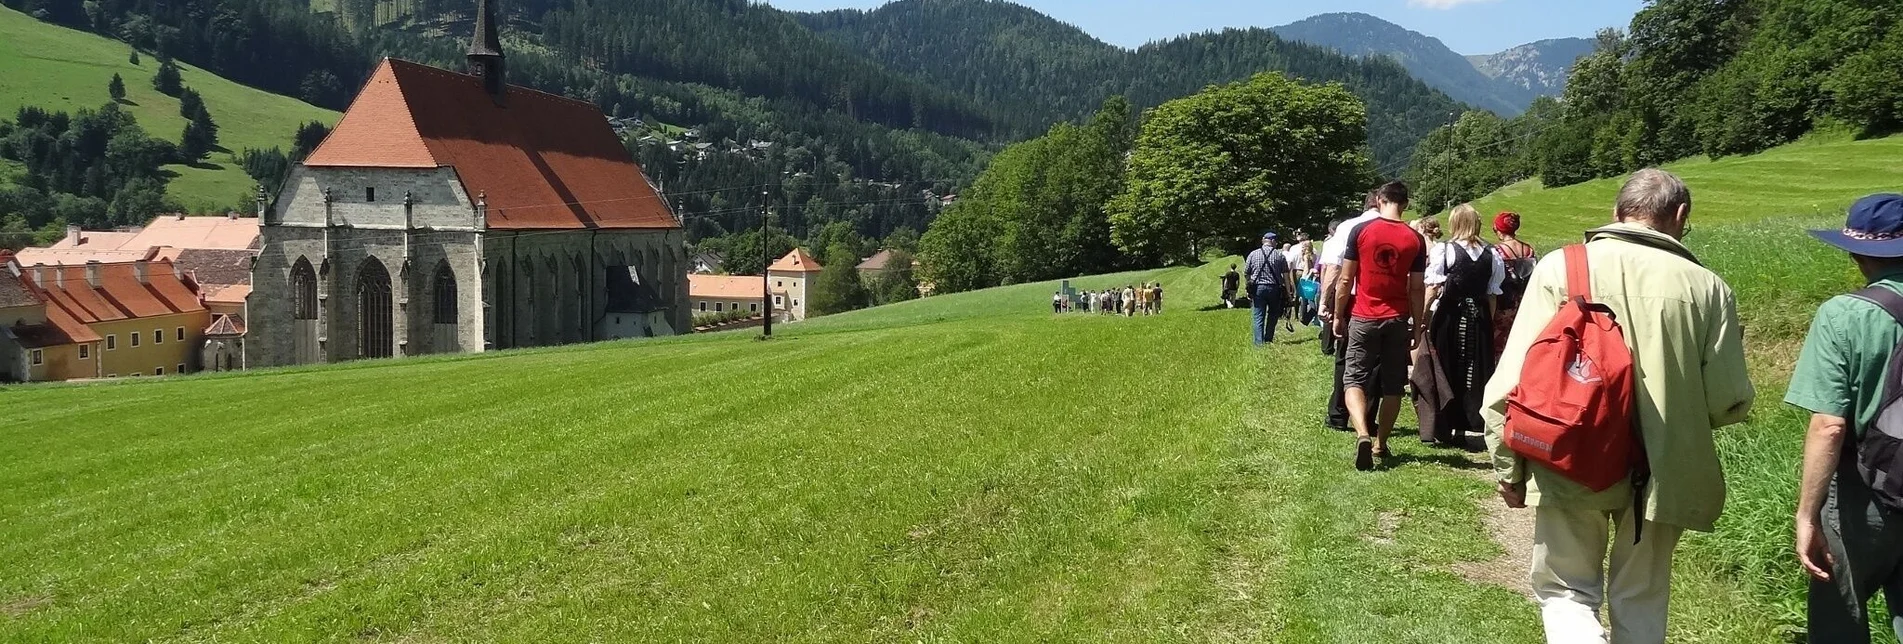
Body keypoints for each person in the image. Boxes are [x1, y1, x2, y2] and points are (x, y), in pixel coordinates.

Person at [1482, 169, 1754, 644]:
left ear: (1616, 212)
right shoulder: (1710, 288)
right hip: (1664, 470)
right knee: (1641, 598)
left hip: (1570, 453)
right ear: (1681, 216)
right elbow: (1727, 402)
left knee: (1565, 592)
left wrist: (1508, 467)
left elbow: (1513, 381)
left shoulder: (1562, 268)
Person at [1788, 194, 1903, 644]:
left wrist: (1807, 515)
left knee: (1840, 613)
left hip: (1866, 493)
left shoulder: (1844, 315)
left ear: (1857, 254)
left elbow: (1829, 425)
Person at [1333, 181, 1427, 469]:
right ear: (1406, 204)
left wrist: (1338, 314)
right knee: (1393, 386)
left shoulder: (1361, 231)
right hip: (1397, 318)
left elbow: (1346, 280)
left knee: (1354, 379)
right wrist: (1417, 324)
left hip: (1363, 315)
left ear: (1378, 200)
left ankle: (1362, 431)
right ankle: (1380, 444)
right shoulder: (1415, 239)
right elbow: (1417, 288)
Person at [1412, 204, 1504, 449]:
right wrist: (1488, 321)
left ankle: (1447, 423)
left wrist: (1422, 318)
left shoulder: (1447, 250)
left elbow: (1432, 287)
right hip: (1479, 319)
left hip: (1450, 318)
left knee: (1445, 366)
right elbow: (1492, 294)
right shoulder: (1491, 253)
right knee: (1473, 371)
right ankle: (1463, 426)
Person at [1319, 196, 1384, 431]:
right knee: (1376, 362)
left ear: (1365, 205)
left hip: (1353, 298)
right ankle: (1367, 416)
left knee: (1345, 357)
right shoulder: (1397, 228)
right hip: (1385, 300)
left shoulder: (1347, 227)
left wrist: (1325, 303)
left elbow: (1335, 269)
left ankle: (1338, 414)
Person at [1493, 211, 1537, 362]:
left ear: (1498, 230)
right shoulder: (1529, 249)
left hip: (1503, 303)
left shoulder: (1498, 251)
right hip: (1524, 302)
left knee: (1499, 342)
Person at [1244, 231, 1296, 345]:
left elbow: (1246, 273)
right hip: (1274, 289)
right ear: (1273, 241)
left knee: (1258, 315)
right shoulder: (1279, 255)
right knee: (1273, 314)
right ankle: (1268, 338)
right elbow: (1286, 276)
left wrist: (1248, 287)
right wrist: (1289, 293)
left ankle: (1258, 343)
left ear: (1264, 240)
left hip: (1258, 288)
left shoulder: (1253, 254)